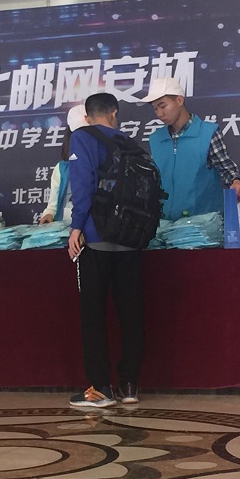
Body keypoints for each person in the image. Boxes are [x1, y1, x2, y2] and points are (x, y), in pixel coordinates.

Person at [67, 92, 145, 408]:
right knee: (131, 313)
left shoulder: (83, 137)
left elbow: (82, 184)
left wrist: (76, 226)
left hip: (96, 238)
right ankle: (130, 385)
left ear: (87, 117)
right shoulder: (130, 142)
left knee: (93, 314)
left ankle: (100, 387)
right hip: (131, 238)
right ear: (114, 113)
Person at [141, 77, 240, 220]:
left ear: (179, 100)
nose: (159, 114)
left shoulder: (207, 133)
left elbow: (227, 169)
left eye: (163, 106)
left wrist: (236, 182)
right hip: (163, 225)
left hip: (203, 226)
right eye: (155, 108)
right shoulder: (156, 139)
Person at [40, 105, 89, 224]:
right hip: (66, 229)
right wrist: (48, 215)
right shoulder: (62, 168)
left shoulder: (105, 164)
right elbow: (52, 206)